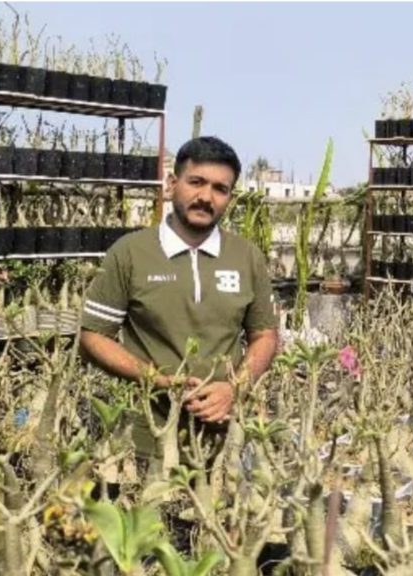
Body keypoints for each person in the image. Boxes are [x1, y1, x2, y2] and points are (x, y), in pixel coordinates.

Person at [79, 136, 278, 427]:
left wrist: (234, 388)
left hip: (227, 430)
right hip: (145, 429)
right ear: (172, 184)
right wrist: (156, 380)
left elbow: (265, 335)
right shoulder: (131, 252)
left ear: (230, 198)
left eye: (220, 189)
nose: (206, 197)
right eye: (196, 182)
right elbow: (92, 336)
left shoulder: (246, 257)